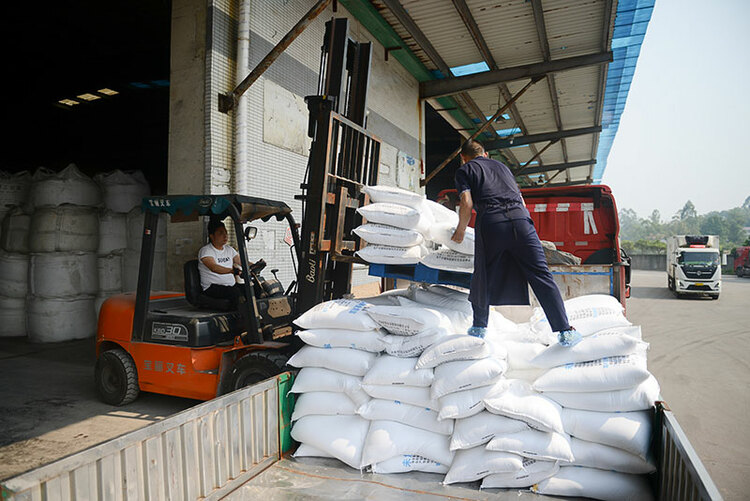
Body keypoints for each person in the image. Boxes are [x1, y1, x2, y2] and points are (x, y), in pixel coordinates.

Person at [451, 140, 581, 347]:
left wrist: (460, 231)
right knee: (541, 275)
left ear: (463, 157)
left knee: (484, 274)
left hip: (492, 222)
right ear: (486, 154)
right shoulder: (503, 168)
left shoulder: (465, 170)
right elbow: (521, 200)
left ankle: (479, 328)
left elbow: (467, 203)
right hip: (522, 221)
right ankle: (565, 330)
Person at [198, 219, 244, 307]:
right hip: (212, 287)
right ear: (212, 236)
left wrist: (254, 265)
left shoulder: (229, 249)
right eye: (220, 233)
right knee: (236, 293)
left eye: (226, 233)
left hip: (230, 286)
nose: (225, 236)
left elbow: (241, 261)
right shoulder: (206, 251)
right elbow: (214, 267)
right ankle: (240, 317)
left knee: (250, 289)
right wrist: (233, 271)